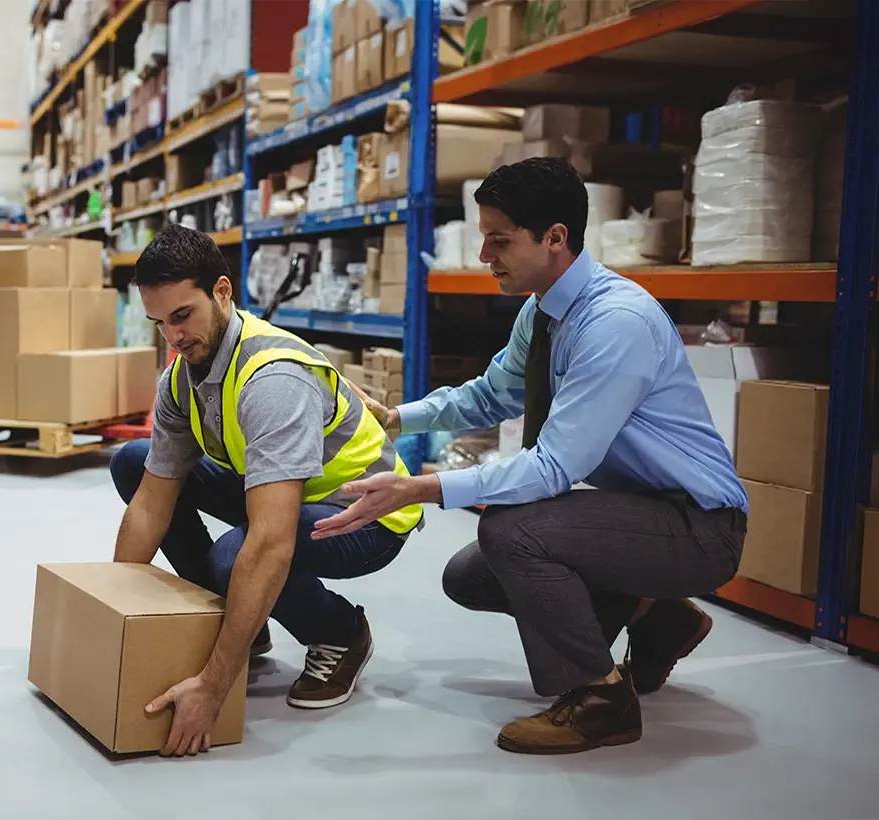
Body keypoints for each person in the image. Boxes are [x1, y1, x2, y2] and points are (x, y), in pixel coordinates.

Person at [313, 157, 748, 755]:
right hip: (647, 511)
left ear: (555, 238)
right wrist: (396, 417)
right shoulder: (543, 311)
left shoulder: (613, 323)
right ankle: (659, 616)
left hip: (700, 527)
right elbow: (493, 394)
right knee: (470, 575)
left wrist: (423, 487)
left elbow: (553, 467)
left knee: (514, 530)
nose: (485, 255)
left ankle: (598, 700)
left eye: (499, 240)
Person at [109, 224, 424, 757]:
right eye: (159, 323)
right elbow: (150, 504)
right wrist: (110, 614)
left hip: (365, 513)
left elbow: (271, 543)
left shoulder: (272, 379)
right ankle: (241, 626)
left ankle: (340, 633)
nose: (173, 337)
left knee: (238, 555)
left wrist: (214, 684)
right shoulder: (180, 379)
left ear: (223, 292)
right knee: (134, 463)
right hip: (294, 494)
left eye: (182, 316)